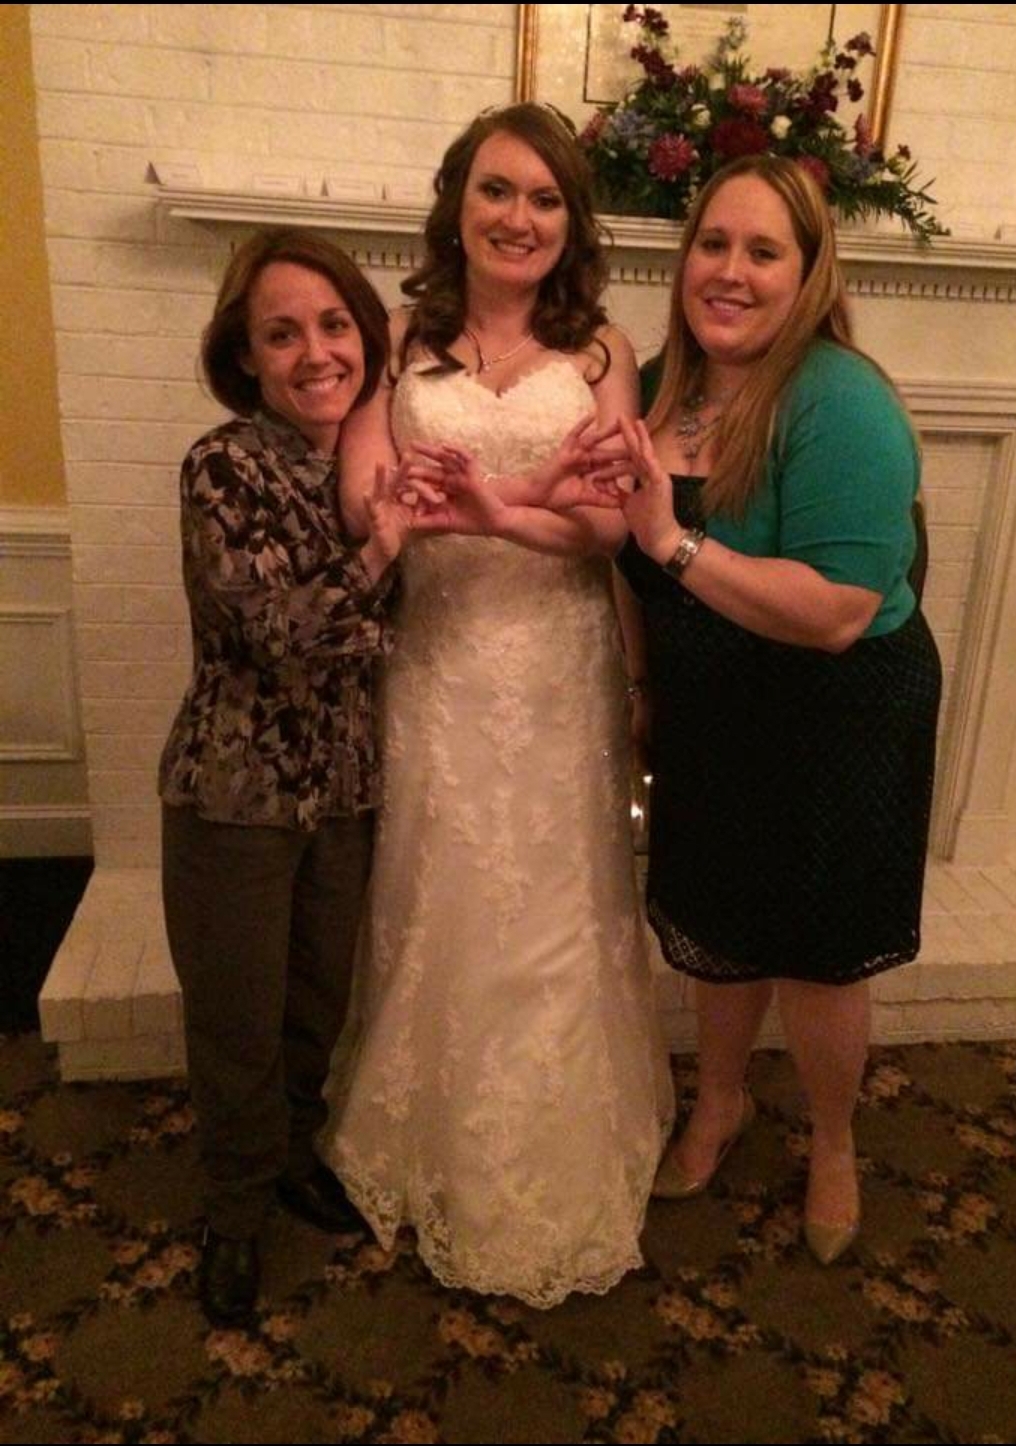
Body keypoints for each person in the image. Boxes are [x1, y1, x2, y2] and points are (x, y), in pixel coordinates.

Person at [323, 103, 674, 1308]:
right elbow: (367, 496)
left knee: (554, 911)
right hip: (439, 665)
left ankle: (555, 1154)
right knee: (440, 894)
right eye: (495, 189)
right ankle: (425, 1141)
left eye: (543, 197)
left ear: (569, 222)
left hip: (557, 666)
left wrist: (490, 508)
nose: (517, 217)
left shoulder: (601, 354)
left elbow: (607, 527)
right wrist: (503, 498)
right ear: (456, 203)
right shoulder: (394, 339)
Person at [609, 154, 942, 1264]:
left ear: (807, 275)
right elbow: (616, 557)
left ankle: (833, 1140)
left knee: (814, 954)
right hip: (710, 709)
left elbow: (836, 611)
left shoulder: (840, 400)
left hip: (836, 717)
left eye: (763, 251)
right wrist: (643, 686)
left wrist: (673, 541)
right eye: (713, 244)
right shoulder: (655, 386)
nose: (731, 271)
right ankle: (718, 1105)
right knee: (716, 925)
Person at [158, 228, 409, 1326]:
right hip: (236, 796)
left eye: (334, 324)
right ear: (246, 357)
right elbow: (274, 632)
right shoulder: (222, 464)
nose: (315, 353)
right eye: (282, 333)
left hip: (346, 789)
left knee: (316, 1005)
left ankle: (295, 1158)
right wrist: (381, 553)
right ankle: (233, 1213)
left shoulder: (373, 463)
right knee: (238, 1023)